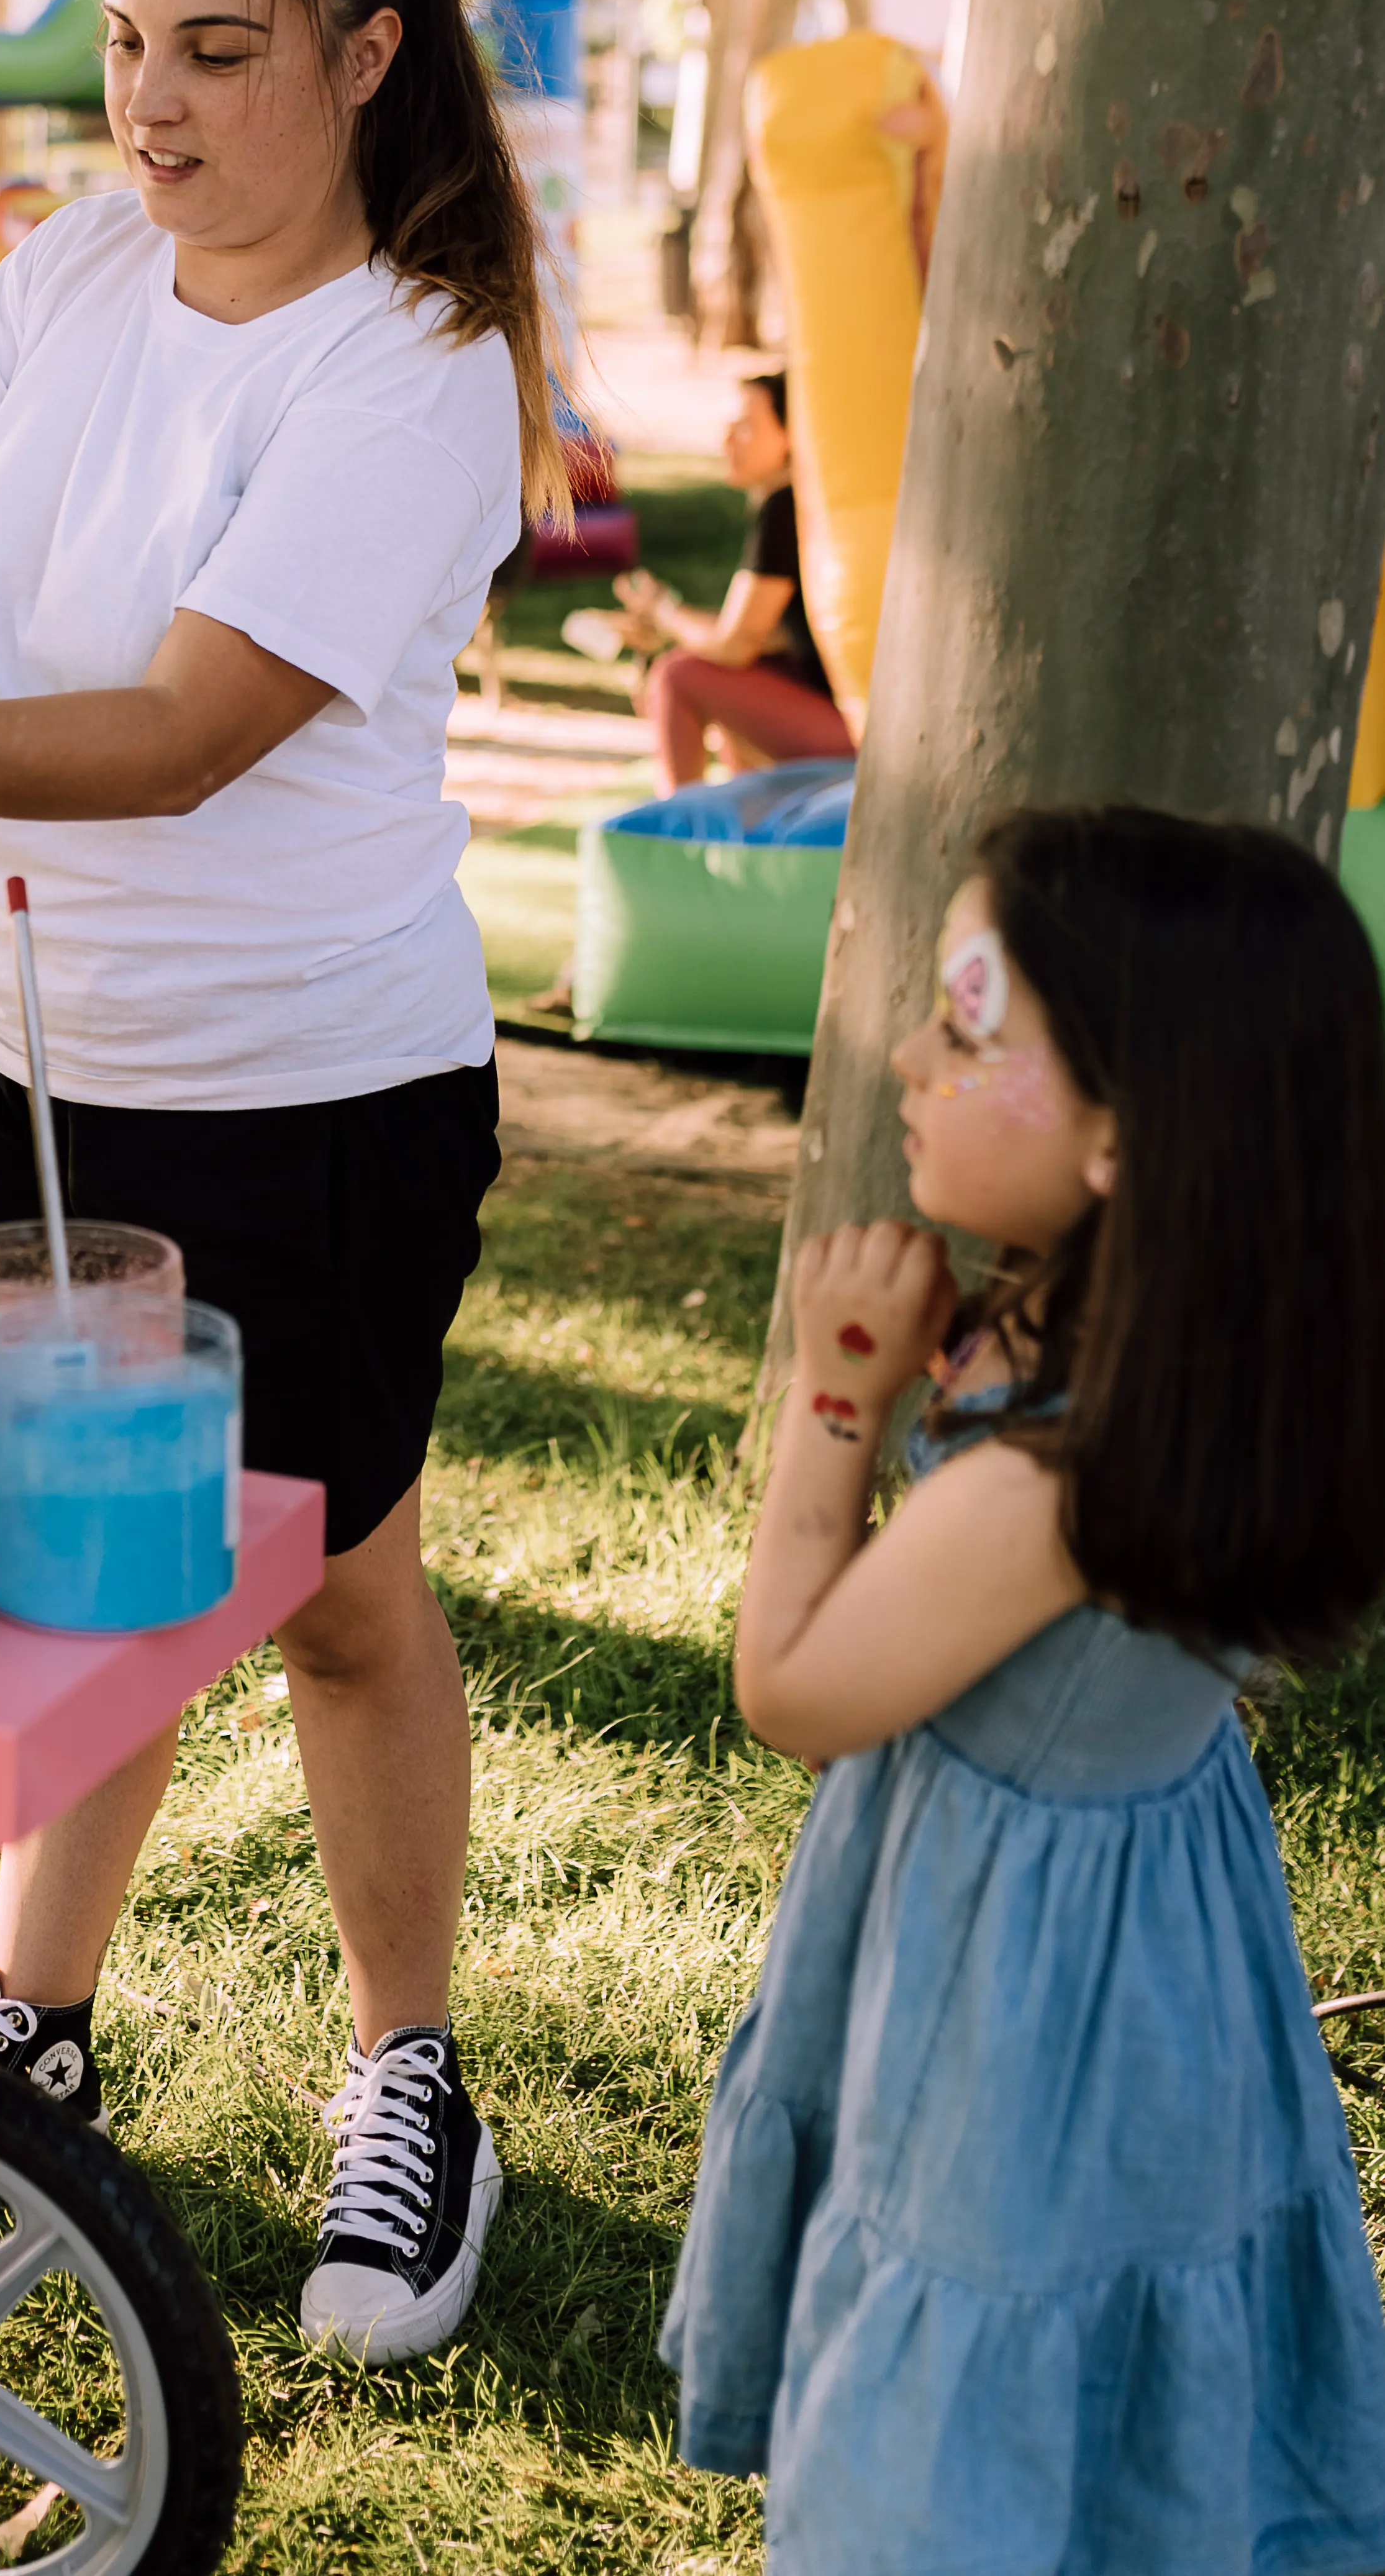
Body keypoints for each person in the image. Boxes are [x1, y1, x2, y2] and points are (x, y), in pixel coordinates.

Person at [0, 0, 564, 2365]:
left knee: (332, 1590)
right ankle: (27, 2032)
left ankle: (412, 2074)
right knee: (75, 1578)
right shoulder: (61, 275)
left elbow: (176, 736)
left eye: (216, 51)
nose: (150, 105)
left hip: (315, 1094)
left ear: (365, 54)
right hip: (23, 1059)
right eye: (128, 45)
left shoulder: (422, 361)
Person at [663, 804, 1385, 2571]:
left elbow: (794, 1689)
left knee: (980, 2329)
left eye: (969, 1034)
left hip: (1021, 1993)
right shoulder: (1188, 1364)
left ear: (1132, 1137)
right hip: (1154, 1929)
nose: (905, 1054)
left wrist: (835, 1401)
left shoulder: (1051, 1490)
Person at [615, 370, 855, 791]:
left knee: (678, 676)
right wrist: (668, 623)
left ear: (791, 438)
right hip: (845, 722)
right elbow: (760, 636)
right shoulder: (804, 502)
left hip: (849, 732)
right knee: (708, 677)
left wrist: (663, 613)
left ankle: (676, 841)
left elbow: (734, 644)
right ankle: (742, 841)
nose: (727, 442)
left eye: (744, 429)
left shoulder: (786, 505)